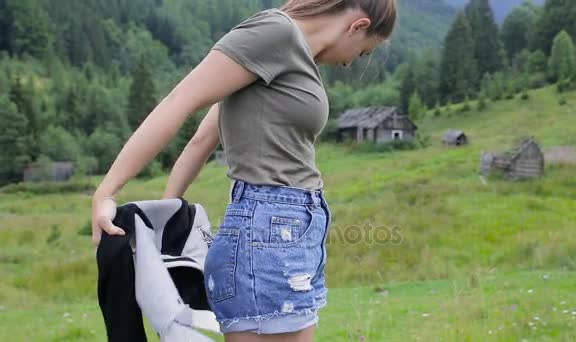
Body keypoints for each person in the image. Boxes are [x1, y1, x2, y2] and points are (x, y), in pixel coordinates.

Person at [91, 0, 397, 341]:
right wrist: (107, 191)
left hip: (296, 231)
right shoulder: (274, 33)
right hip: (266, 232)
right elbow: (180, 100)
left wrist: (169, 216)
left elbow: (203, 140)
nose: (353, 61)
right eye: (364, 51)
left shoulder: (294, 55)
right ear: (358, 26)